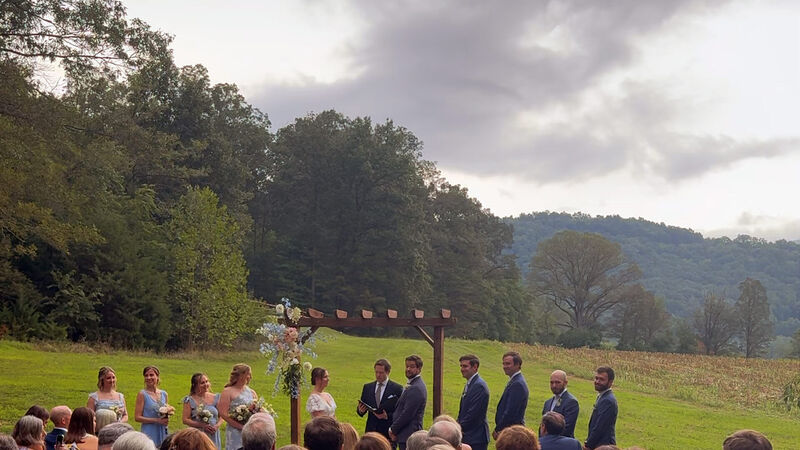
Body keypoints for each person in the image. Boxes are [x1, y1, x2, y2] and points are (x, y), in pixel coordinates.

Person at [357, 359, 403, 443]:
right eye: (376, 372)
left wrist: (387, 416)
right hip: (371, 432)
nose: (378, 375)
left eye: (381, 373)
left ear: (388, 372)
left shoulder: (397, 389)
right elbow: (361, 409)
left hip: (387, 433)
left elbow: (400, 412)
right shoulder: (368, 387)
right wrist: (360, 410)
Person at [388, 355, 427, 450]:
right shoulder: (412, 384)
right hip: (404, 434)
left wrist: (393, 429)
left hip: (409, 435)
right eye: (407, 366)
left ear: (419, 368)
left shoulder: (416, 388)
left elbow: (408, 413)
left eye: (412, 367)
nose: (408, 369)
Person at [218, 363, 260, 450]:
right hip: (235, 431)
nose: (250, 377)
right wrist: (240, 426)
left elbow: (257, 409)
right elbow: (223, 413)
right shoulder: (227, 391)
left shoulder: (252, 392)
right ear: (241, 375)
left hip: (251, 430)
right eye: (248, 374)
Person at [456, 355, 489, 450]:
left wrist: (457, 428)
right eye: (461, 366)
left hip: (476, 437)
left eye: (465, 366)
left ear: (475, 367)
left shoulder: (479, 386)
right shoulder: (471, 383)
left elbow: (473, 414)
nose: (462, 369)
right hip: (469, 435)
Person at [493, 352, 528, 440]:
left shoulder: (518, 384)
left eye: (508, 364)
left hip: (512, 432)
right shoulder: (515, 381)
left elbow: (510, 412)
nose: (505, 366)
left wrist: (498, 429)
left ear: (517, 365)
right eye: (503, 364)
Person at [182, 373, 222, 449]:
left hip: (213, 433)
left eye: (207, 381)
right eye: (202, 383)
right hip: (198, 434)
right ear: (195, 385)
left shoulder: (215, 397)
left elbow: (222, 416)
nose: (206, 384)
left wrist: (217, 426)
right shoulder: (189, 400)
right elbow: (185, 420)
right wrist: (202, 425)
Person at [135, 366, 169, 447]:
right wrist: (156, 420)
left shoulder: (164, 394)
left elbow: (166, 411)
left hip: (162, 429)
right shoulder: (142, 394)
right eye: (146, 375)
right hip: (149, 430)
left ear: (157, 377)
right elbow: (137, 417)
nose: (148, 377)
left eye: (151, 375)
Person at [584, 367, 617, 450]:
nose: (597, 382)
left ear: (610, 382)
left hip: (603, 445)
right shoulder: (602, 396)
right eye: (596, 378)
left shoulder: (608, 401)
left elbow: (600, 427)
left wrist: (588, 444)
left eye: (601, 379)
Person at [541, 371, 579, 438]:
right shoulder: (548, 402)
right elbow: (542, 424)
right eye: (551, 382)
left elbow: (567, 429)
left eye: (557, 382)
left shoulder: (571, 402)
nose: (554, 386)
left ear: (565, 383)